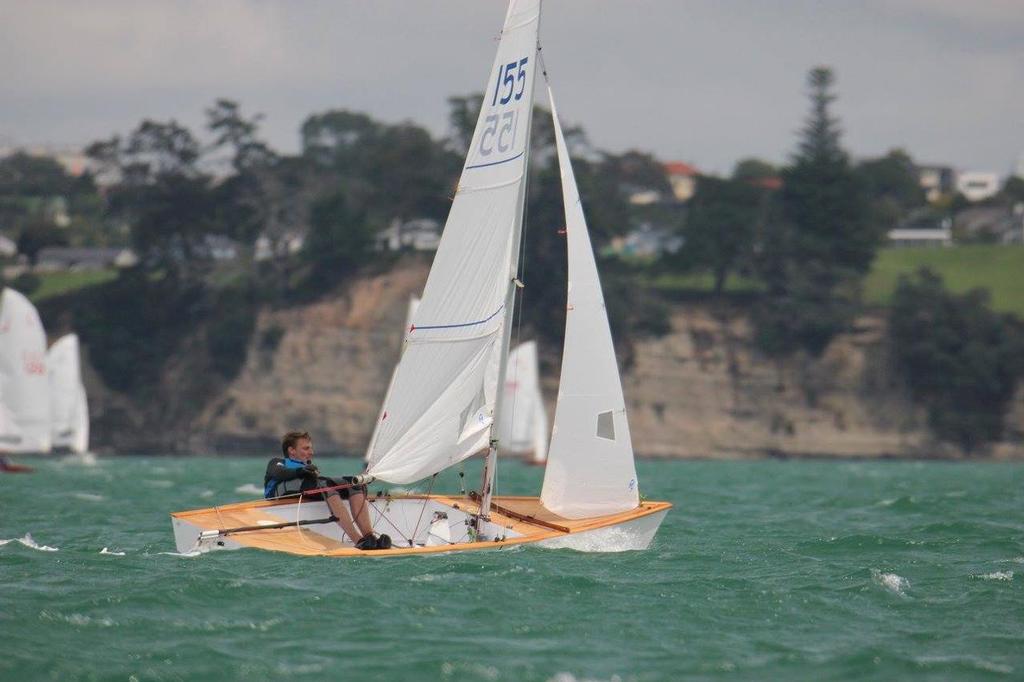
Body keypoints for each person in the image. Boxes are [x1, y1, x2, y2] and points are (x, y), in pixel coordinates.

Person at [264, 431, 391, 551]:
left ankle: (369, 537)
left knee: (355, 484)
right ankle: (358, 541)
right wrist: (301, 471)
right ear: (291, 450)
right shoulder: (277, 462)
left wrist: (306, 470)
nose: (311, 452)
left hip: (308, 489)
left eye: (311, 448)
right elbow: (279, 473)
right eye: (306, 448)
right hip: (281, 494)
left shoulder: (307, 467)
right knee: (325, 485)